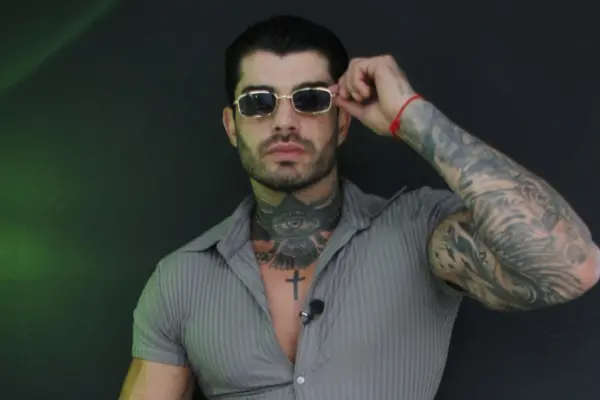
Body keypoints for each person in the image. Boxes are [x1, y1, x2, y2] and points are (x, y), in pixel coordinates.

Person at [119, 14, 599, 400]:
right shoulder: (180, 280)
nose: (284, 122)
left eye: (310, 99)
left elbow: (572, 267)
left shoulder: (418, 233)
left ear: (342, 122)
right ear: (231, 125)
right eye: (259, 102)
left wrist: (411, 114)